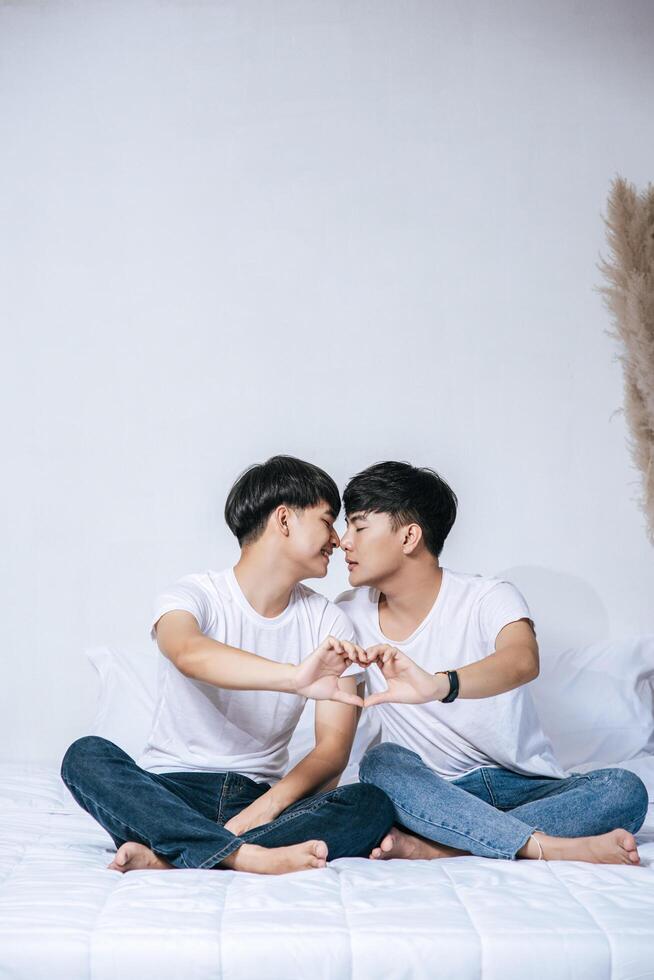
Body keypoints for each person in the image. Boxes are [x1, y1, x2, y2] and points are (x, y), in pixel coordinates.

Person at [61, 455, 393, 875]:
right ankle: (244, 856)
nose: (338, 539)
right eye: (328, 521)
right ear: (285, 519)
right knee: (84, 757)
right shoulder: (193, 595)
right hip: (169, 792)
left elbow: (332, 751)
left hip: (256, 797)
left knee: (370, 804)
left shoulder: (328, 620)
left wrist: (265, 807)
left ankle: (175, 853)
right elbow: (187, 652)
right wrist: (294, 678)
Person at [336, 460, 649, 865]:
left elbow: (522, 660)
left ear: (409, 536)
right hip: (434, 790)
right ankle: (547, 846)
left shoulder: (487, 596)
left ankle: (444, 846)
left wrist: (440, 684)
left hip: (523, 786)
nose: (344, 541)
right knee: (380, 763)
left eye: (359, 527)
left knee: (625, 790)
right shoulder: (348, 614)